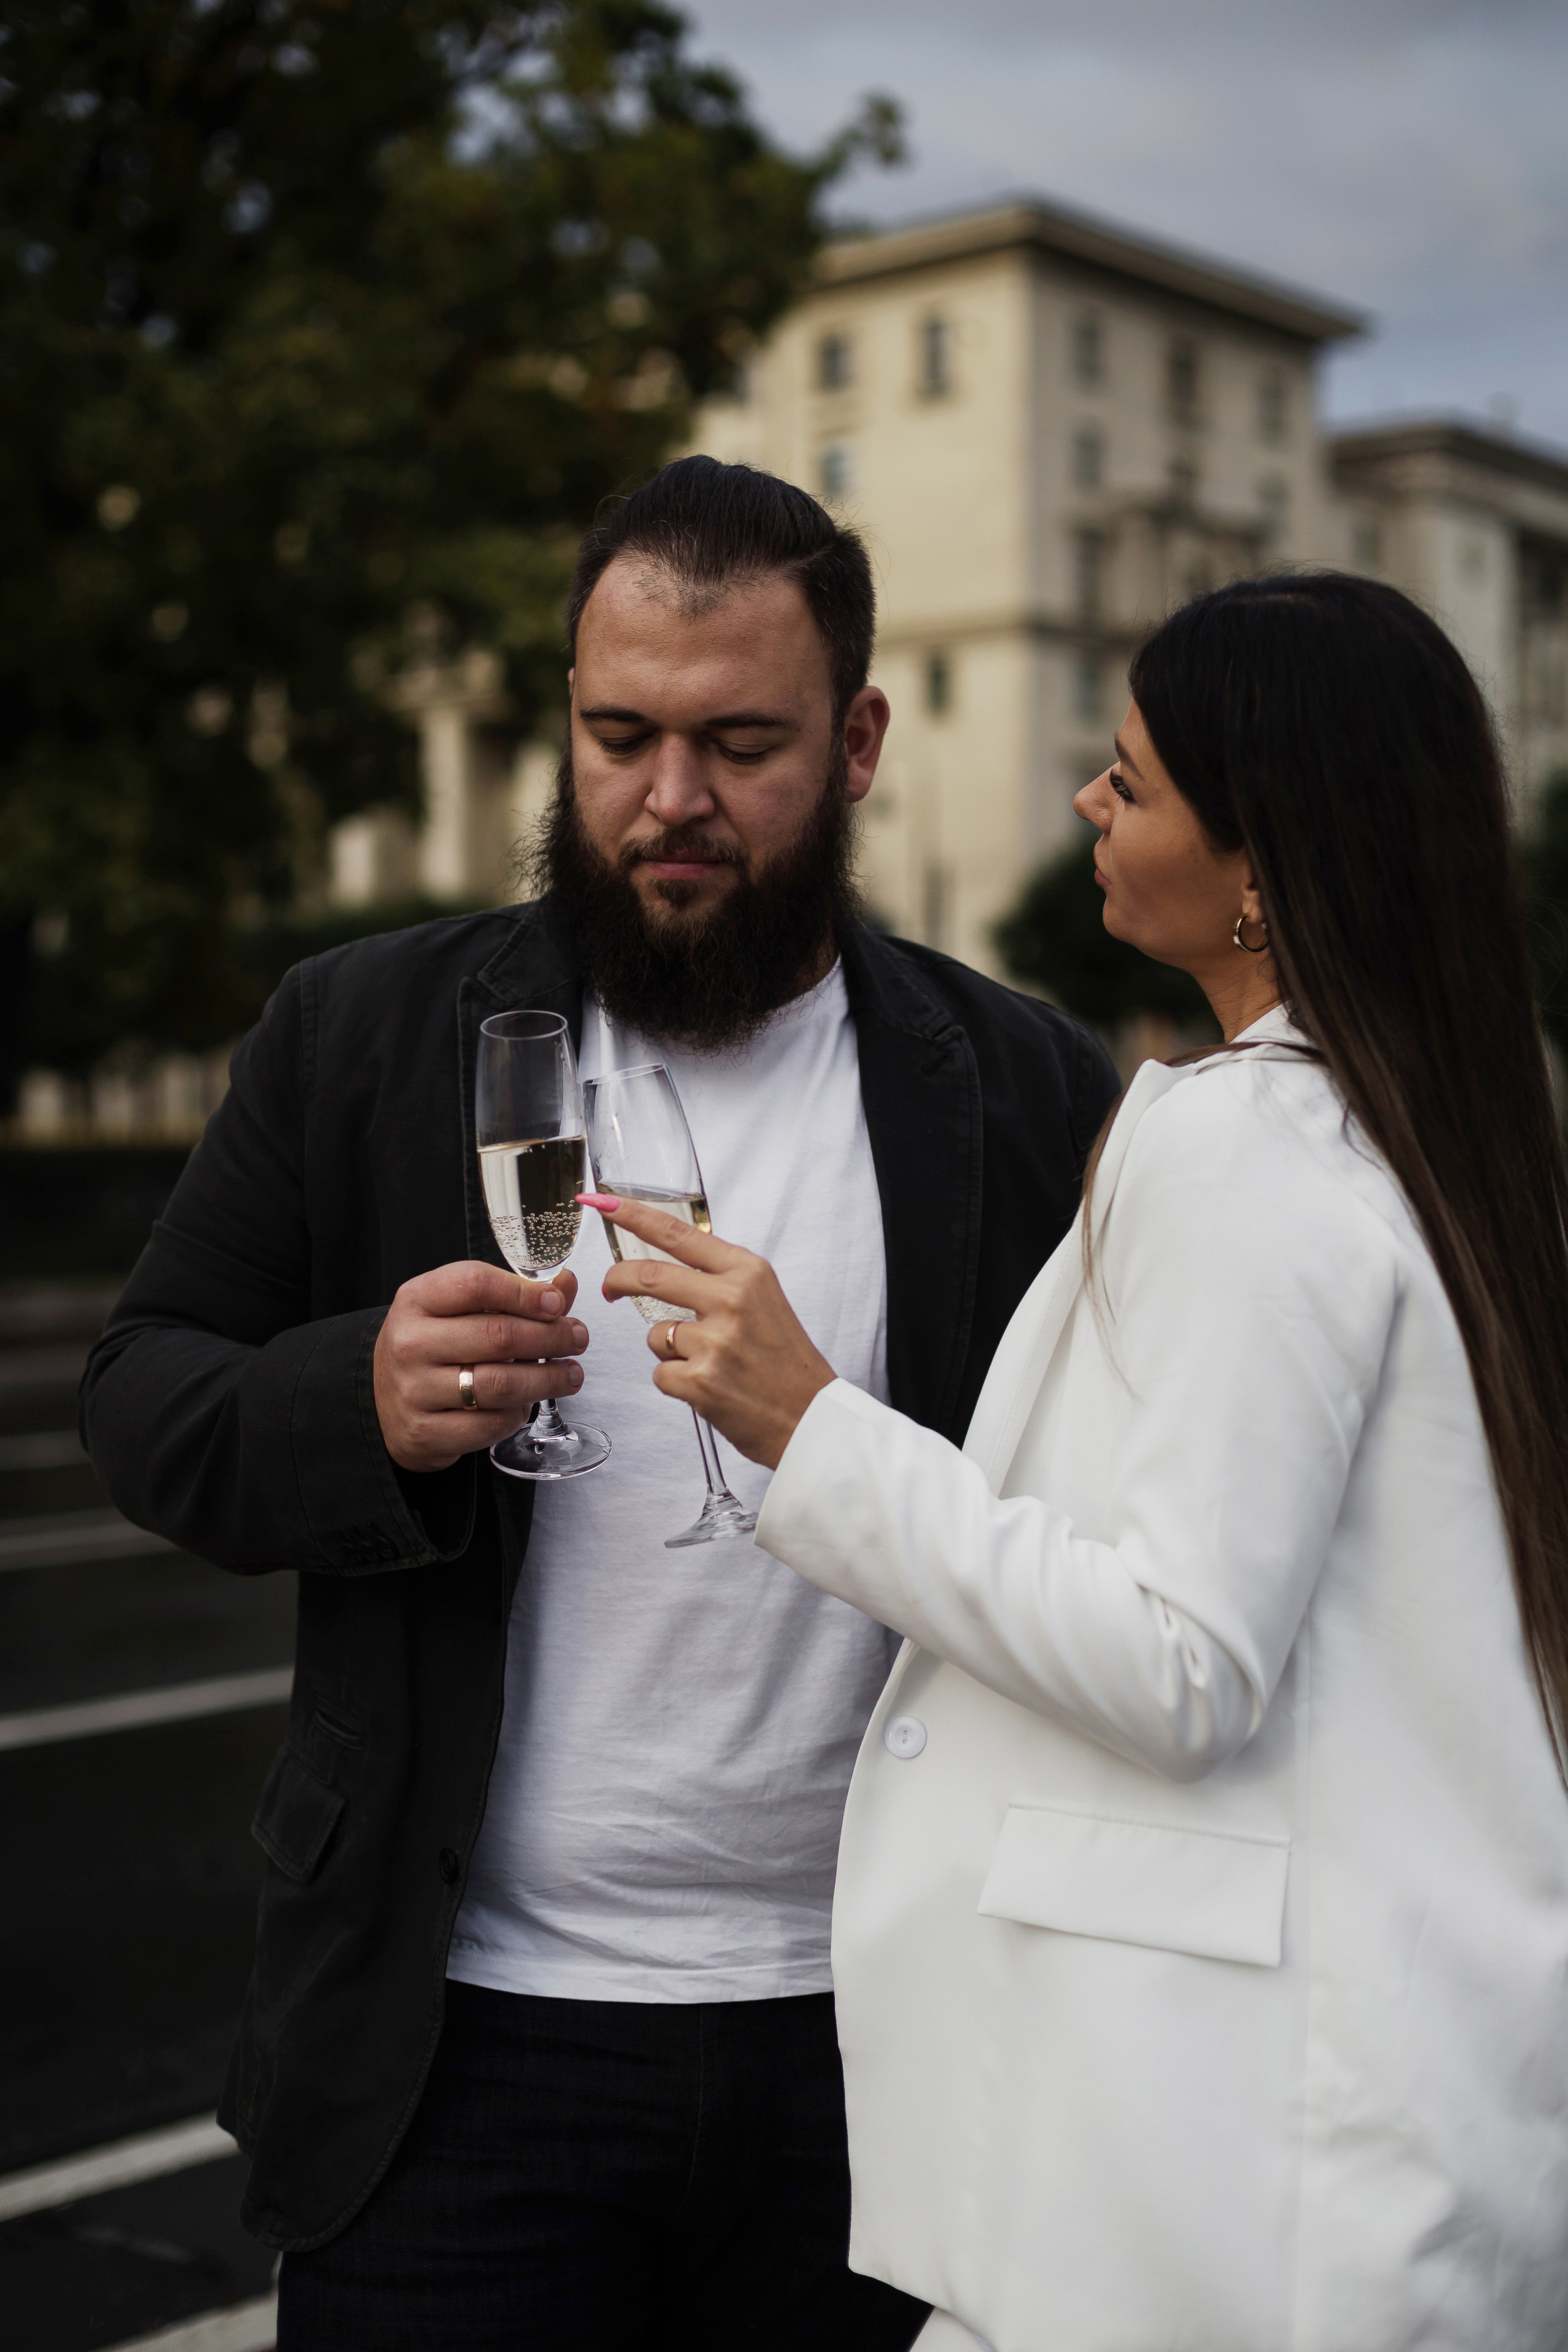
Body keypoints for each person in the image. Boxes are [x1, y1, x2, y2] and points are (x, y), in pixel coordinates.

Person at [80, 454, 1118, 2350]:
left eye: (741, 745)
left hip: (881, 2051)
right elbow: (144, 1396)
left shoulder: (1026, 1087)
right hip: (457, 2056)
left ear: (863, 738)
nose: (670, 801)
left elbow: (1109, 1553)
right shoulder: (363, 1031)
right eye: (620, 734)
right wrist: (363, 1402)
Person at [598, 573, 1568, 2352]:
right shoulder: (1457, 1128)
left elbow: (1181, 1659)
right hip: (1406, 2141)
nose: (1086, 807)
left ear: (1259, 856)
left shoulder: (1243, 1139)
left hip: (1214, 2179)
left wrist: (810, 1428)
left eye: (1128, 780)